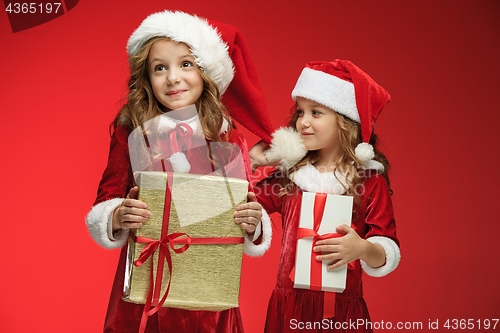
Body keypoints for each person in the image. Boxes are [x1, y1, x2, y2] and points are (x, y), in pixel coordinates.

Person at [85, 10, 273, 333]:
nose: (173, 78)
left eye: (185, 64)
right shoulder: (132, 132)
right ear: (146, 77)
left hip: (209, 296)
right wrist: (116, 216)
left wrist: (255, 224)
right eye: (160, 68)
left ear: (205, 71)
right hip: (147, 291)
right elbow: (106, 199)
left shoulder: (228, 136)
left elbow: (244, 208)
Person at [250, 60, 401, 332]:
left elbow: (386, 251)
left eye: (315, 112)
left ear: (345, 121)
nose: (302, 122)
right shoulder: (290, 176)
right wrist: (252, 163)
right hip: (290, 308)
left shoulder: (369, 182)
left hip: (342, 313)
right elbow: (244, 203)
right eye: (300, 112)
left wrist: (362, 248)